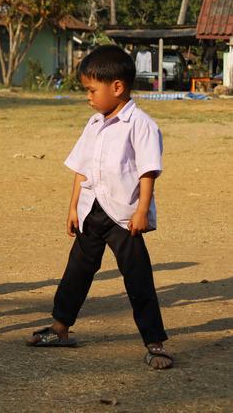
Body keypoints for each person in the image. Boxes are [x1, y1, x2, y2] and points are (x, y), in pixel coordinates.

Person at [26, 45, 172, 370]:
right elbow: (82, 169)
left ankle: (155, 342)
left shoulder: (140, 124)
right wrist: (73, 208)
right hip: (91, 211)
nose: (88, 97)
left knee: (138, 278)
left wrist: (141, 211)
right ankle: (60, 328)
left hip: (123, 216)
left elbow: (148, 171)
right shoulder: (93, 124)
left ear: (117, 87)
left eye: (92, 90)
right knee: (76, 271)